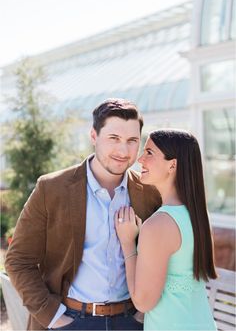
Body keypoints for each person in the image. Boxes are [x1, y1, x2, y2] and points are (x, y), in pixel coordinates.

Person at [5, 98, 161, 331]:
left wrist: (140, 315)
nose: (123, 150)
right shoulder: (51, 188)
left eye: (132, 141)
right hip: (71, 320)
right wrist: (54, 318)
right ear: (93, 136)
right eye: (114, 139)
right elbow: (18, 261)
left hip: (132, 321)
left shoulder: (150, 192)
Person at [115, 129, 217, 330]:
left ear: (172, 165)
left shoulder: (158, 225)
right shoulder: (197, 214)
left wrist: (128, 243)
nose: (140, 160)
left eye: (150, 153)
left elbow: (143, 302)